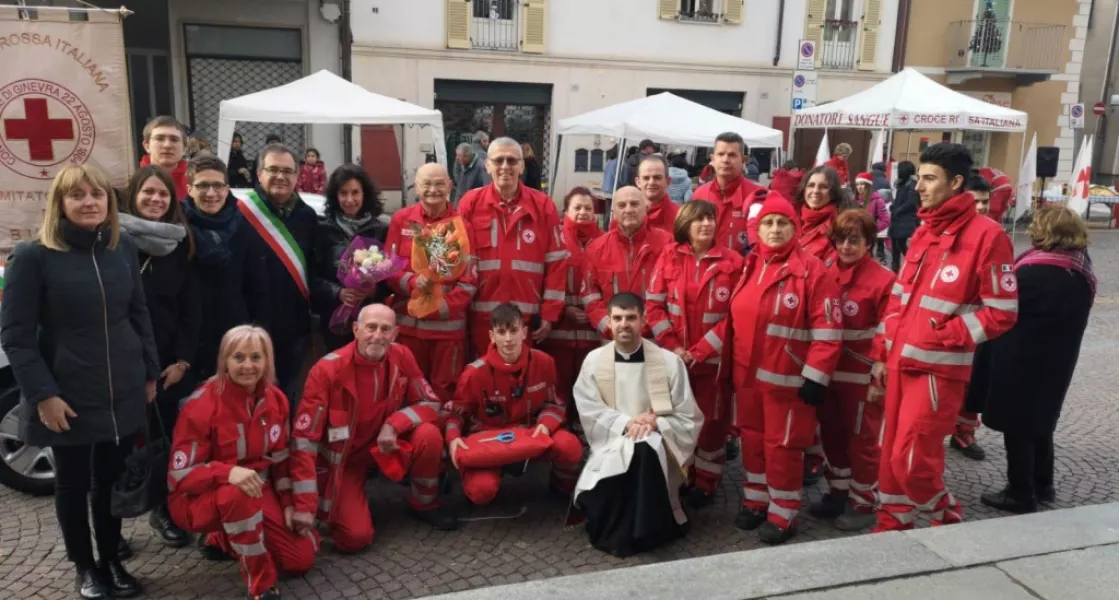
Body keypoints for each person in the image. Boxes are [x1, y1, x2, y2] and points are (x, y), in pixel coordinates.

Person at [1, 164, 160, 599]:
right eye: (78, 195)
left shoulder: (122, 247)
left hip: (122, 388)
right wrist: (44, 395)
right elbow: (15, 337)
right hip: (68, 393)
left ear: (108, 202)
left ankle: (110, 557)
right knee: (72, 484)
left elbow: (138, 314)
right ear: (60, 204)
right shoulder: (33, 256)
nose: (89, 202)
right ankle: (85, 567)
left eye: (97, 194)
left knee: (110, 481)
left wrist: (149, 371)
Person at [871, 143, 1018, 532]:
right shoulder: (924, 231)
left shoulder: (989, 236)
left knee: (913, 458)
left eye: (929, 178)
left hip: (938, 371)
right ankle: (892, 521)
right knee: (889, 455)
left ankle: (944, 515)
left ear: (955, 183)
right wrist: (882, 355)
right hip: (900, 364)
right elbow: (899, 300)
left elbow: (1003, 312)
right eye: (919, 177)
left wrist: (945, 335)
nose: (919, 186)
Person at [695, 192, 843, 545]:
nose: (774, 229)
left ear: (794, 227)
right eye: (768, 223)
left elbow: (828, 330)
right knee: (753, 442)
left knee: (783, 447)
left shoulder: (813, 271)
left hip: (788, 384)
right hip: (747, 379)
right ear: (757, 229)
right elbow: (733, 321)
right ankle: (757, 499)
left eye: (782, 223)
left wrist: (815, 375)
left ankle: (784, 512)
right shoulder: (751, 265)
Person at [290, 305, 458, 550]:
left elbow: (430, 403)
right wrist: (305, 506)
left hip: (384, 447)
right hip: (344, 462)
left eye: (385, 329)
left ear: (395, 333)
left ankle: (424, 504)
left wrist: (393, 424)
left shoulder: (402, 356)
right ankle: (340, 508)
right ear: (356, 330)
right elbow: (304, 442)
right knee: (355, 539)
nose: (378, 335)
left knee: (428, 434)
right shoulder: (326, 371)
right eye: (371, 327)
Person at [167, 326, 318, 600]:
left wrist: (288, 504)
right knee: (237, 495)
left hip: (257, 488)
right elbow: (179, 475)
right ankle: (261, 585)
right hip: (200, 497)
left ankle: (223, 537)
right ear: (224, 360)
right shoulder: (201, 405)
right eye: (238, 357)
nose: (248, 366)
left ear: (267, 361)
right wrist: (226, 472)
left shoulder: (277, 400)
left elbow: (282, 459)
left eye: (256, 357)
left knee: (300, 560)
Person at [974, 206, 1094, 514]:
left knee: (1018, 428)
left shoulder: (1035, 271)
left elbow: (1000, 304)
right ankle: (1044, 484)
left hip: (1022, 360)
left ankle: (1020, 492)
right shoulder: (1079, 267)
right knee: (1041, 423)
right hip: (1058, 360)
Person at [572, 293, 703, 557]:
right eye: (618, 318)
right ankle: (618, 531)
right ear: (608, 321)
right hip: (612, 438)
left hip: (657, 439)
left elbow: (687, 414)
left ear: (643, 321)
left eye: (631, 318)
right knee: (625, 456)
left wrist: (656, 422)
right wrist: (627, 423)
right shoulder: (594, 361)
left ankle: (649, 531)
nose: (624, 324)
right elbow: (589, 408)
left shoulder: (668, 362)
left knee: (644, 449)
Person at [120, 165, 200, 548]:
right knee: (115, 448)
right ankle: (111, 522)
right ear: (134, 193)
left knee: (168, 444)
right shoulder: (112, 240)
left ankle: (164, 512)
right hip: (120, 364)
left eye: (163, 194)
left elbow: (190, 309)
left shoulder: (181, 244)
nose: (155, 199)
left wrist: (182, 360)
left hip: (168, 365)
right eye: (148, 192)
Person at [645, 200, 742, 507]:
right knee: (674, 418)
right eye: (699, 219)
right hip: (673, 361)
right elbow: (653, 305)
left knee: (712, 422)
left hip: (712, 363)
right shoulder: (669, 256)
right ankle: (682, 474)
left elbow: (735, 316)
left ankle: (707, 481)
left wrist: (700, 351)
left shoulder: (734, 262)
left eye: (710, 219)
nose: (706, 225)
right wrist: (674, 346)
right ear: (685, 224)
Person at [446, 304, 583, 505]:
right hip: (490, 438)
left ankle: (560, 489)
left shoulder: (544, 362)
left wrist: (545, 425)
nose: (508, 339)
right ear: (492, 336)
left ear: (524, 332)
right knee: (481, 491)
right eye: (501, 332)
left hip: (531, 433)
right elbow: (456, 413)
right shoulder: (474, 373)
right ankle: (483, 480)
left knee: (569, 446)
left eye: (513, 330)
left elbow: (555, 403)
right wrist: (452, 439)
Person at [809, 209, 895, 531]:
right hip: (828, 374)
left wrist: (878, 375)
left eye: (854, 240)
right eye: (841, 240)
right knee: (832, 435)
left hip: (862, 377)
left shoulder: (883, 280)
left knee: (862, 441)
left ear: (869, 242)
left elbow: (890, 329)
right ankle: (838, 492)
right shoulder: (824, 272)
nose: (846, 246)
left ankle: (864, 501)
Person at [457, 137, 569, 357]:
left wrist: (550, 313)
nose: (505, 167)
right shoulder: (470, 203)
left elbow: (556, 262)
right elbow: (457, 259)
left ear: (522, 165)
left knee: (523, 378)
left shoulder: (542, 205)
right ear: (487, 165)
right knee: (483, 377)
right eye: (499, 161)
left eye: (512, 160)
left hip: (526, 318)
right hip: (482, 315)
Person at [385, 163, 477, 405]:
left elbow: (470, 280)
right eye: (427, 183)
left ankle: (443, 437)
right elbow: (388, 267)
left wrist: (439, 307)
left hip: (446, 331)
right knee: (407, 388)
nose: (433, 189)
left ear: (449, 186)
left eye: (439, 184)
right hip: (408, 328)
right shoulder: (401, 220)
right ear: (416, 186)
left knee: (445, 391)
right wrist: (413, 282)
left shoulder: (463, 226)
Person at [183, 155, 271, 380]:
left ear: (227, 188)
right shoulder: (176, 226)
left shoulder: (245, 227)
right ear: (189, 189)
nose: (211, 193)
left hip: (234, 340)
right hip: (185, 342)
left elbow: (258, 289)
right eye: (202, 185)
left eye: (217, 185)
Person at [246, 143, 318, 403]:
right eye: (273, 169)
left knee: (286, 393)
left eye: (288, 171)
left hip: (292, 326)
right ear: (259, 173)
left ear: (297, 177)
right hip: (250, 323)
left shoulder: (308, 217)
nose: (281, 176)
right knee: (248, 394)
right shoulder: (241, 212)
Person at [310, 164, 389, 352]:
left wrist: (372, 291)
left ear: (365, 194)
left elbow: (390, 277)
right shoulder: (323, 229)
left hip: (371, 320)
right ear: (335, 196)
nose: (349, 199)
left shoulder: (381, 229)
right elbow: (312, 278)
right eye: (343, 193)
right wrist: (339, 293)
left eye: (355, 193)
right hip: (334, 319)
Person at [541, 187, 603, 418]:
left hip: (593, 331)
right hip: (560, 330)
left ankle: (583, 428)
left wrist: (594, 312)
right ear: (565, 211)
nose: (583, 212)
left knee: (590, 384)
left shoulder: (604, 240)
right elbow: (544, 278)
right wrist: (564, 308)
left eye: (588, 208)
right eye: (576, 208)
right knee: (559, 382)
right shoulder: (555, 239)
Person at [581, 186, 672, 338]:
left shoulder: (667, 244)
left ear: (646, 208)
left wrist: (651, 327)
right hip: (612, 338)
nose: (628, 210)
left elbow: (674, 294)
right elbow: (590, 297)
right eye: (622, 205)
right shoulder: (596, 248)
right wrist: (612, 328)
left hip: (656, 338)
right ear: (613, 212)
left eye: (635, 204)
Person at [950, 172, 996, 461]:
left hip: (980, 325)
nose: (980, 207)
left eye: (985, 202)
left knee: (974, 382)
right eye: (975, 201)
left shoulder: (993, 234)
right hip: (947, 325)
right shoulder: (949, 231)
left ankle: (964, 431)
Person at [692, 132, 766, 252]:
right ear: (713, 159)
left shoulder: (759, 195)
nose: (725, 160)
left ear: (743, 160)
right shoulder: (699, 194)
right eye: (721, 154)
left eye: (732, 155)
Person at [797, 165, 852, 267]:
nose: (816, 191)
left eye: (823, 187)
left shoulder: (840, 228)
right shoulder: (790, 221)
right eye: (811, 185)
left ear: (833, 193)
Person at [140, 115, 189, 200]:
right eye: (159, 139)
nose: (167, 145)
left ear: (184, 149)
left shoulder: (196, 183)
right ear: (146, 146)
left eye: (174, 140)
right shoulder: (133, 182)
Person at [633, 154, 680, 234]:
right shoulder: (624, 214)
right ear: (638, 182)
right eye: (646, 178)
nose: (651, 182)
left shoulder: (680, 217)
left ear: (668, 181)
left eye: (657, 177)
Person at [888, 160, 919, 272]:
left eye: (900, 169)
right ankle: (894, 271)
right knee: (895, 249)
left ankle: (911, 266)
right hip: (897, 221)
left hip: (904, 221)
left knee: (900, 245)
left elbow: (911, 203)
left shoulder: (911, 185)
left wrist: (898, 210)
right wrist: (893, 206)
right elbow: (899, 200)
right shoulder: (902, 183)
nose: (898, 172)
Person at [853, 171, 890, 262]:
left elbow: (885, 220)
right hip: (854, 236)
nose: (859, 187)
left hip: (867, 239)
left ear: (868, 185)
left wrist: (872, 229)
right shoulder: (854, 200)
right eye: (857, 184)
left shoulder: (877, 200)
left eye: (862, 184)